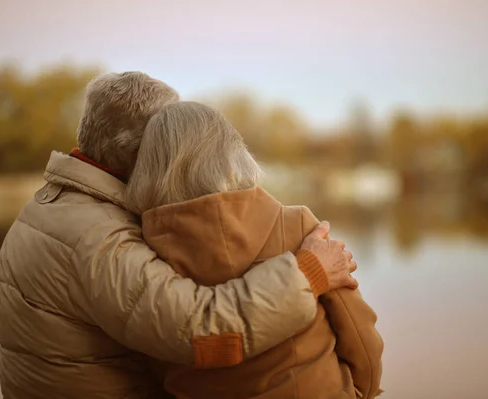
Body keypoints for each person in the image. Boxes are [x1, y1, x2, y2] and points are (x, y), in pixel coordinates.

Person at [0, 72, 358, 399]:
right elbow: (202, 333)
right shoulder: (96, 237)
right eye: (168, 133)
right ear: (144, 149)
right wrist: (309, 273)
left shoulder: (55, 205)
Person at [125, 101, 384, 399]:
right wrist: (359, 390)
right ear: (230, 153)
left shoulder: (143, 251)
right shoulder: (297, 226)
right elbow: (360, 336)